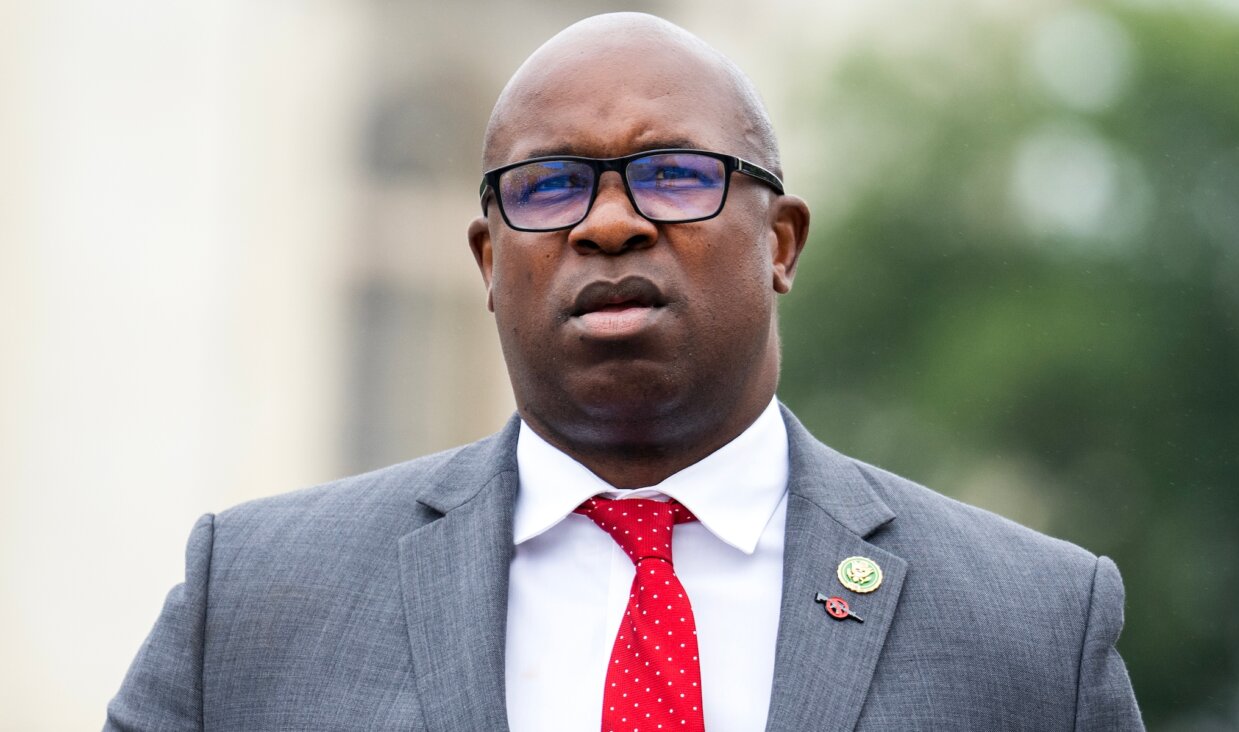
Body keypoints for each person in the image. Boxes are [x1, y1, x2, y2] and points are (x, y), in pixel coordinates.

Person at [105, 12, 1143, 732]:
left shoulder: (1030, 628)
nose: (610, 222)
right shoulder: (254, 604)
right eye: (550, 185)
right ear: (487, 260)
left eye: (675, 174)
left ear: (781, 242)